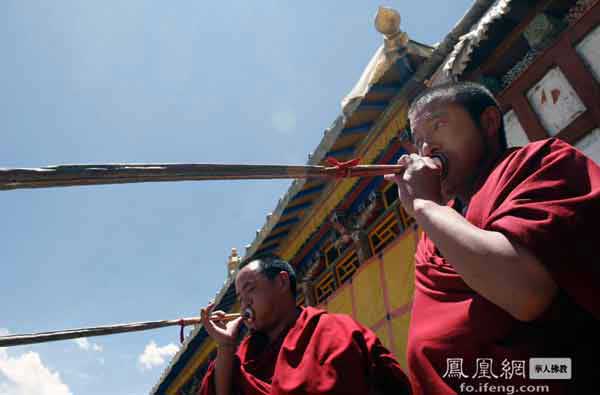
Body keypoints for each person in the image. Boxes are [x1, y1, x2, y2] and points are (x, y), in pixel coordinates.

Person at [386, 81, 600, 394]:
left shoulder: (540, 162)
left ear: (487, 122)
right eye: (418, 142)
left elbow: (526, 295)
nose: (425, 150)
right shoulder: (435, 232)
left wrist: (425, 205)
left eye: (438, 126)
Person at [198, 255, 412, 395]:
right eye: (240, 297)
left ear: (282, 282)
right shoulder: (245, 355)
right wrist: (225, 347)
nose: (245, 302)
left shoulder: (334, 331)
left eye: (250, 289)